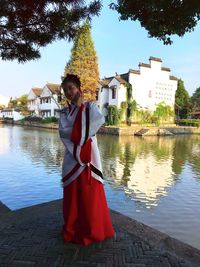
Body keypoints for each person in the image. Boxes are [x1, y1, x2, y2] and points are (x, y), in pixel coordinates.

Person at [58, 74, 115, 246]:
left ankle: (92, 230)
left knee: (88, 196)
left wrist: (81, 108)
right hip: (72, 159)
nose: (69, 92)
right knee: (73, 196)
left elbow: (97, 122)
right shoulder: (64, 113)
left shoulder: (90, 107)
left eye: (71, 88)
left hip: (89, 160)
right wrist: (80, 136)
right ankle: (72, 228)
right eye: (66, 90)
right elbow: (65, 133)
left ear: (78, 88)